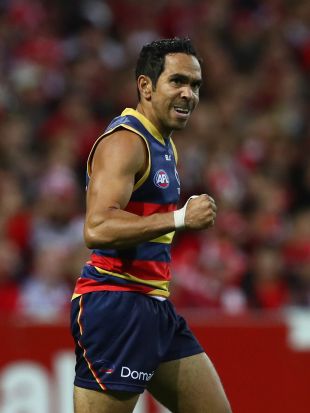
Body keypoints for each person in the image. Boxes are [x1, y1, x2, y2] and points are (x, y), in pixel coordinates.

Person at [71, 37, 232, 413]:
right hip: (115, 304)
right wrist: (180, 218)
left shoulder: (165, 145)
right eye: (177, 81)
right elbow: (97, 226)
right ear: (146, 86)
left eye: (195, 85)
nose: (189, 94)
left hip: (154, 306)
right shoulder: (126, 142)